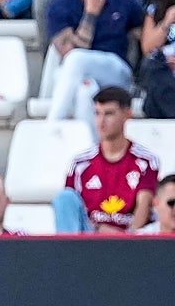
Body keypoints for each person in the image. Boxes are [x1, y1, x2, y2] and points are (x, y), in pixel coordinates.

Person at [45, 0, 146, 134]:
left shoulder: (123, 1)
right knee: (85, 93)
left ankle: (51, 129)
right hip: (79, 75)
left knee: (77, 61)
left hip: (116, 71)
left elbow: (144, 39)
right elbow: (70, 52)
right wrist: (91, 13)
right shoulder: (59, 7)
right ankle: (92, 155)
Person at [53, 84, 159, 231]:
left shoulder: (145, 161)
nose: (101, 121)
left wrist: (125, 241)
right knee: (64, 198)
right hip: (90, 238)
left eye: (108, 114)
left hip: (128, 240)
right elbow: (71, 211)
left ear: (127, 115)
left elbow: (144, 206)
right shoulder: (80, 163)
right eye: (97, 113)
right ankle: (67, 251)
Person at [137, 0, 175, 116]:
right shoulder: (156, 5)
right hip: (163, 67)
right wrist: (167, 21)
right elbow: (148, 48)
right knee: (152, 66)